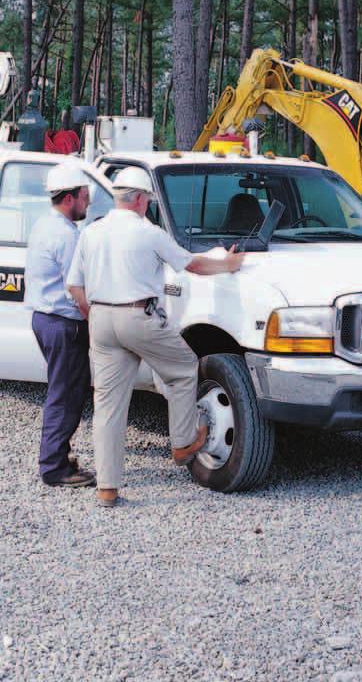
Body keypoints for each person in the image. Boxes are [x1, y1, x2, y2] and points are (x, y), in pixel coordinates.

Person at [66, 167, 244, 507]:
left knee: (108, 405)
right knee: (182, 368)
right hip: (138, 316)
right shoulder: (148, 232)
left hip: (101, 317)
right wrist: (229, 264)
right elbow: (192, 265)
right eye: (147, 199)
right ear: (137, 199)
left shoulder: (92, 232)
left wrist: (99, 315)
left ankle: (107, 488)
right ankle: (183, 441)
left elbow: (74, 285)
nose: (147, 204)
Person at [25, 161, 95, 488]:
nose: (88, 201)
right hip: (62, 325)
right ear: (69, 199)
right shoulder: (67, 237)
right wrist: (94, 318)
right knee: (65, 395)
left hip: (44, 319)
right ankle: (54, 468)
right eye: (84, 195)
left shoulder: (43, 225)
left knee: (64, 390)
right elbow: (75, 288)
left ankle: (58, 455)